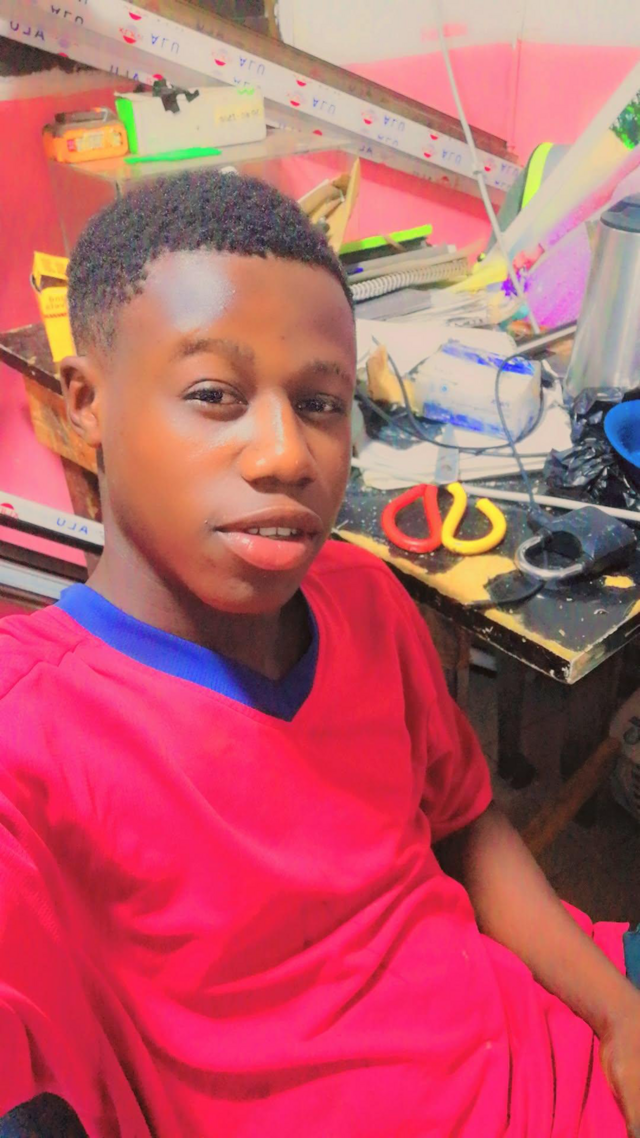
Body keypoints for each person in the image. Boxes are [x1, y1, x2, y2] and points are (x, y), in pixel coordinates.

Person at [0, 170, 639, 1138]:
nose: (286, 455)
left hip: (547, 1033)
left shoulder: (361, 594)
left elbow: (465, 823)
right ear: (86, 401)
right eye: (213, 395)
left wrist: (616, 1013)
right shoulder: (31, 733)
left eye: (320, 402)